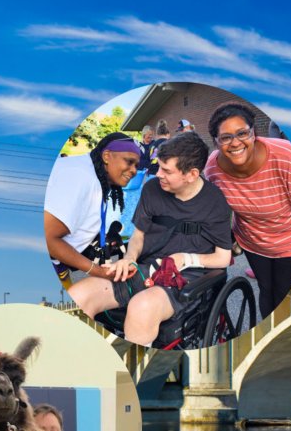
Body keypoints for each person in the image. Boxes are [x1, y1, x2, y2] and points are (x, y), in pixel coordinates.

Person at [68, 132, 234, 346]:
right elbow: (138, 236)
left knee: (142, 306)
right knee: (78, 296)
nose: (159, 175)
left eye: (167, 170)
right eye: (159, 167)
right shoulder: (152, 189)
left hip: (188, 279)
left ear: (192, 174)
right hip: (146, 268)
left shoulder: (215, 201)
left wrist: (186, 258)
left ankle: (126, 376)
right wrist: (129, 257)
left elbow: (222, 259)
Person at [203, 102, 291, 319]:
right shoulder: (212, 169)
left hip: (290, 241)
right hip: (251, 240)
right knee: (266, 290)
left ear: (253, 132)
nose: (235, 143)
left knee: (284, 297)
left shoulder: (286, 157)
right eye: (226, 137)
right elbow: (215, 210)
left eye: (242, 133)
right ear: (216, 142)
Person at [45, 133, 141, 286]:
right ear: (107, 156)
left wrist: (96, 237)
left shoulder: (92, 173)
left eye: (136, 165)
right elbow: (47, 239)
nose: (134, 170)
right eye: (129, 162)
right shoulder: (81, 178)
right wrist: (98, 271)